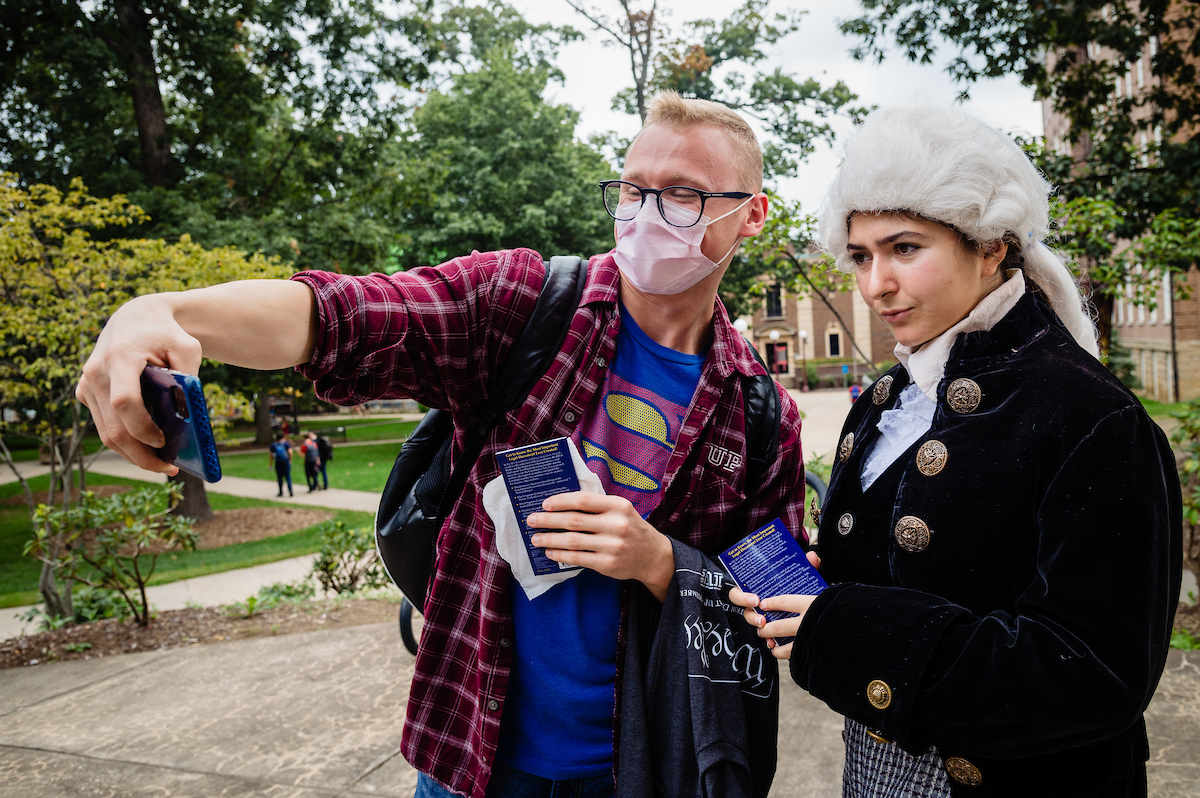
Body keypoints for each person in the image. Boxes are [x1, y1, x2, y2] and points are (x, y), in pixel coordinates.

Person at [75, 91, 807, 798]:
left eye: (682, 195)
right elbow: (345, 314)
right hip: (472, 757)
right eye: (631, 190)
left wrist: (657, 563)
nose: (648, 217)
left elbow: (772, 611)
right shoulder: (523, 304)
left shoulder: (759, 412)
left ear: (751, 216)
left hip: (644, 765)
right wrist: (163, 312)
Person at [731, 104, 1182, 797]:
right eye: (861, 255)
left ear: (991, 245)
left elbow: (1095, 674)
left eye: (905, 248)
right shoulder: (883, 399)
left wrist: (849, 629)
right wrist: (825, 590)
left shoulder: (1094, 417)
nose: (876, 283)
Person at [268, 432, 293, 497]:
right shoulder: (285, 443)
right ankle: (290, 491)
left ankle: (281, 492)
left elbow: (271, 455)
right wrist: (290, 460)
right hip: (286, 462)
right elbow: (290, 452)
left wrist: (270, 464)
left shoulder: (273, 445)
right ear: (283, 437)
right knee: (288, 477)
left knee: (279, 478)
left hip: (278, 463)